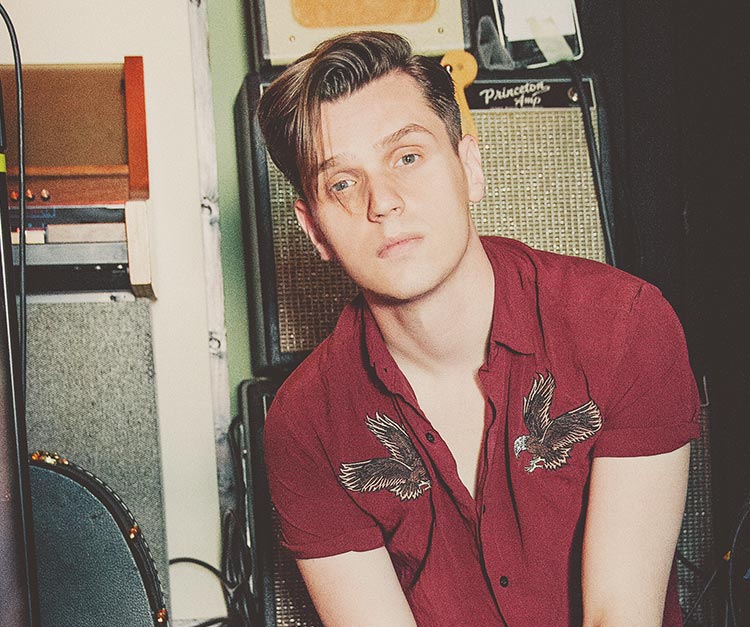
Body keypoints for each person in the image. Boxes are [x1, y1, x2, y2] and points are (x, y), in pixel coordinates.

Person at [257, 31, 700, 627]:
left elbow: (620, 616)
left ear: (469, 168)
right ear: (315, 231)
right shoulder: (304, 423)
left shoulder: (624, 325)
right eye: (342, 182)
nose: (382, 201)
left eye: (407, 157)